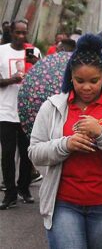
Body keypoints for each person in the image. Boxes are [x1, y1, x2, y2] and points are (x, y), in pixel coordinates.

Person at [28, 34, 102, 249]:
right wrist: (66, 144)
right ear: (70, 76)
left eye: (94, 81)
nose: (87, 87)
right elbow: (34, 152)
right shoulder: (52, 107)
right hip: (63, 204)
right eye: (80, 81)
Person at [0, 19, 41, 209]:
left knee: (26, 154)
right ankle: (10, 193)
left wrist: (37, 65)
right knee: (7, 154)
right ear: (11, 32)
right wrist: (12, 80)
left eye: (24, 33)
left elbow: (42, 82)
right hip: (5, 111)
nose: (21, 36)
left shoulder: (34, 52)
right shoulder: (2, 51)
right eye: (18, 33)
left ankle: (24, 188)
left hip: (27, 111)